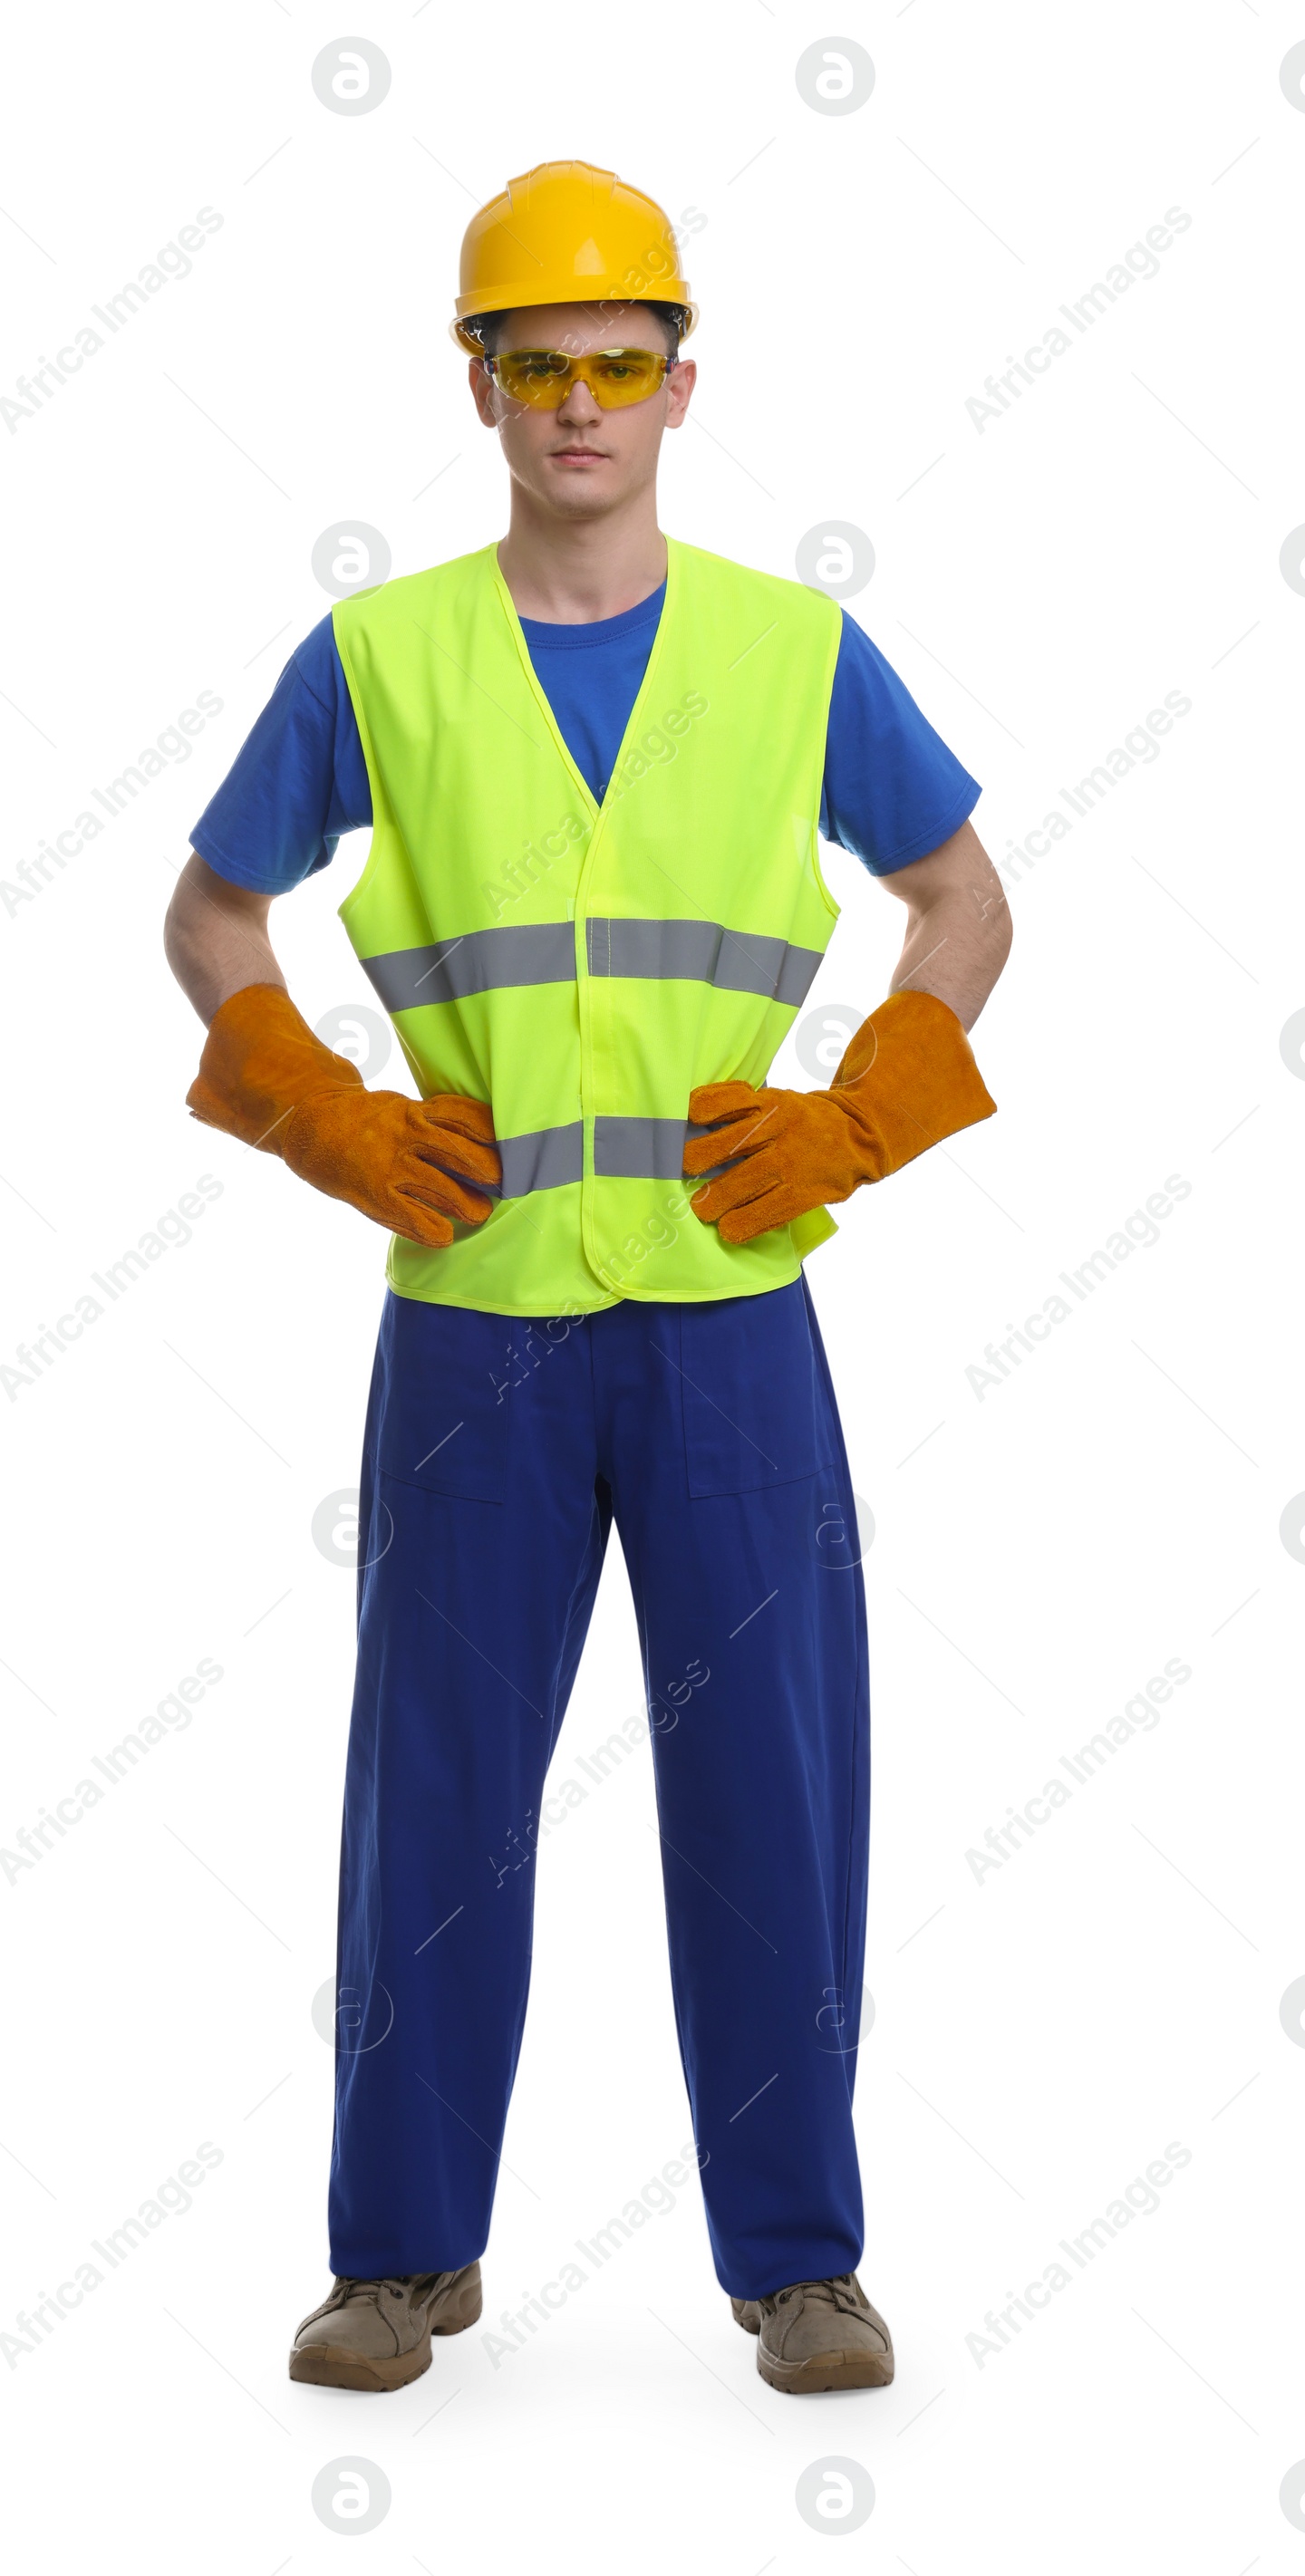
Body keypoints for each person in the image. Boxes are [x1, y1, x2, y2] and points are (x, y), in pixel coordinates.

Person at [164, 159, 1010, 2398]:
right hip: (471, 1320)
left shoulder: (792, 650)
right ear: (477, 386)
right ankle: (396, 2259)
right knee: (430, 1791)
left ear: (677, 382)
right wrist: (319, 1112)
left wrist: (859, 1116)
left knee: (774, 1789)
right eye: (532, 362)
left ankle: (799, 2260)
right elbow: (206, 916)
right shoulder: (378, 655)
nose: (575, 401)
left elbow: (964, 900)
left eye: (614, 362)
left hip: (732, 1305)